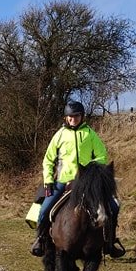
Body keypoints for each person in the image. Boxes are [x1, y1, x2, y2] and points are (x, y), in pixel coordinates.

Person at [30, 100, 125, 258]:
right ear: (66, 118)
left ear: (82, 117)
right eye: (70, 116)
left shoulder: (90, 134)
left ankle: (110, 242)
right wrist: (48, 181)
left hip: (86, 182)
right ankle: (40, 239)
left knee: (113, 207)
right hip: (63, 181)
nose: (73, 119)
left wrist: (89, 171)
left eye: (76, 116)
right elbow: (48, 160)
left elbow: (102, 156)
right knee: (44, 209)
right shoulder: (59, 135)